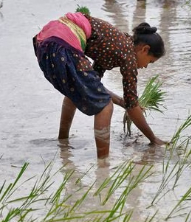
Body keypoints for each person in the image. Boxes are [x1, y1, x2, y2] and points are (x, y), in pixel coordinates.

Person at [33, 13, 168, 158]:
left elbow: (92, 87)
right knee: (105, 106)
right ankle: (103, 163)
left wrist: (124, 103)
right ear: (144, 49)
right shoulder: (128, 56)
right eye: (150, 62)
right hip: (63, 45)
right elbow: (132, 106)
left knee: (75, 90)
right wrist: (153, 139)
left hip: (46, 42)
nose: (146, 67)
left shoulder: (116, 44)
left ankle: (63, 141)